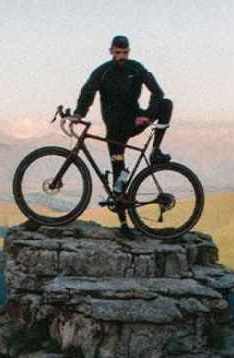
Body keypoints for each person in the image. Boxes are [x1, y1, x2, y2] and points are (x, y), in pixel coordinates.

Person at [72, 35, 173, 236]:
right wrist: (78, 114)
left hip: (135, 120)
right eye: (118, 53)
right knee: (118, 179)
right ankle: (124, 224)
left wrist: (145, 115)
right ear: (111, 51)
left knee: (166, 104)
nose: (121, 57)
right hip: (115, 128)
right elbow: (88, 92)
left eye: (125, 53)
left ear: (129, 52)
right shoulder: (102, 72)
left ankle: (155, 152)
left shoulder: (136, 68)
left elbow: (157, 92)